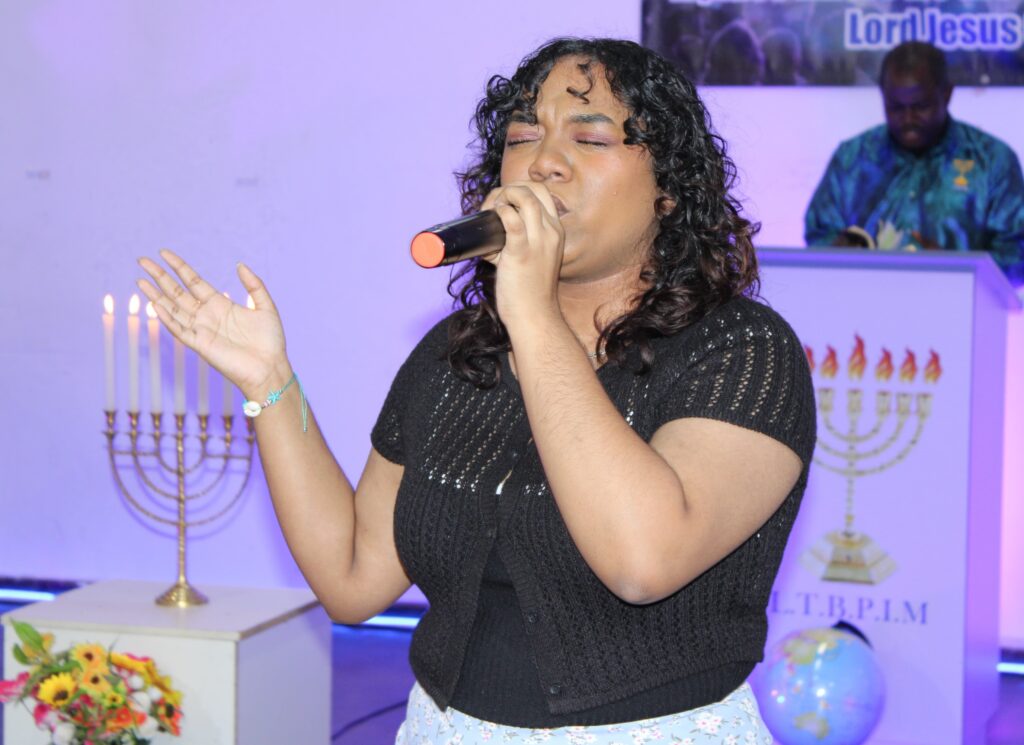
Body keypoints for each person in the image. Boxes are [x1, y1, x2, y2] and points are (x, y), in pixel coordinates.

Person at [138, 37, 815, 744]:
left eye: (589, 138)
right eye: (522, 138)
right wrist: (270, 382)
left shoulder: (742, 350)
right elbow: (351, 578)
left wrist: (532, 313)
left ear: (668, 191)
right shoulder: (459, 355)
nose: (544, 162)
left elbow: (641, 562)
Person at [805, 41, 1024, 281]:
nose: (908, 119)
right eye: (895, 107)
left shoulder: (991, 160)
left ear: (947, 93)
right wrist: (839, 251)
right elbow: (819, 234)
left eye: (921, 107)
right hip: (862, 297)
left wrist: (957, 268)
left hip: (958, 302)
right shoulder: (852, 158)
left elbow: (1018, 255)